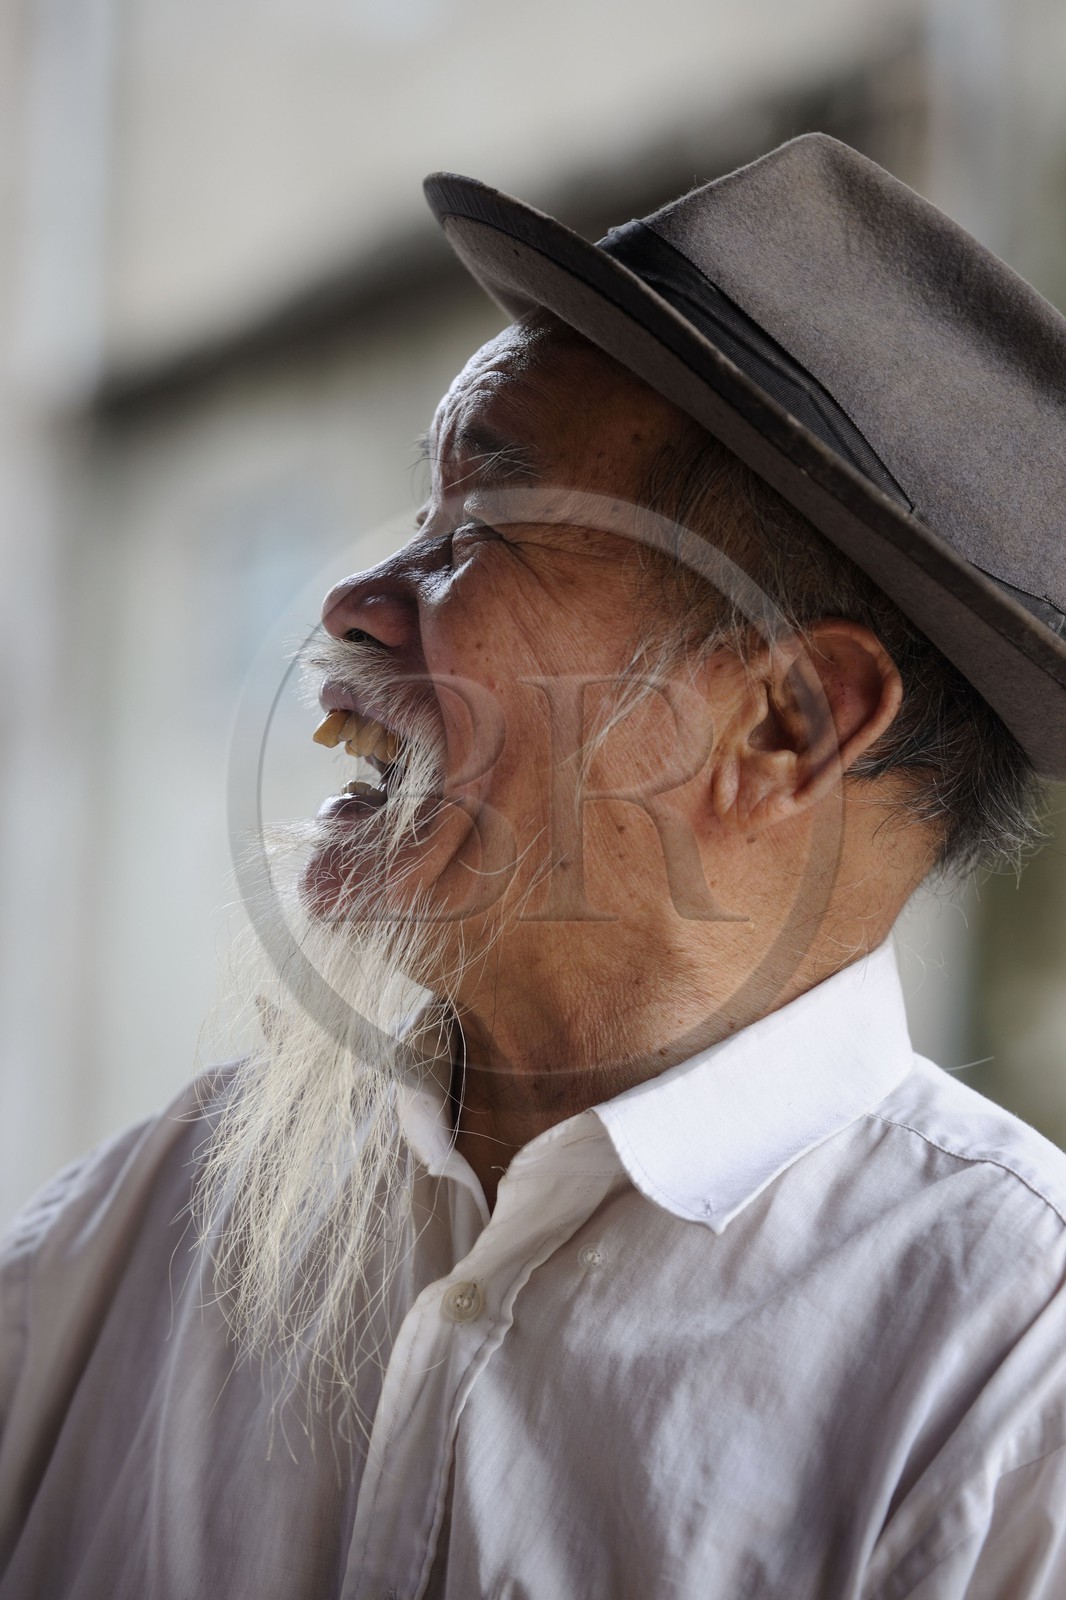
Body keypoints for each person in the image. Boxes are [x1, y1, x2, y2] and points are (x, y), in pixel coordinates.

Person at [2, 132, 1066, 1600]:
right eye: (419, 519)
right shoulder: (144, 1226)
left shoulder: (1012, 1380)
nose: (355, 602)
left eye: (480, 527)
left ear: (784, 720)